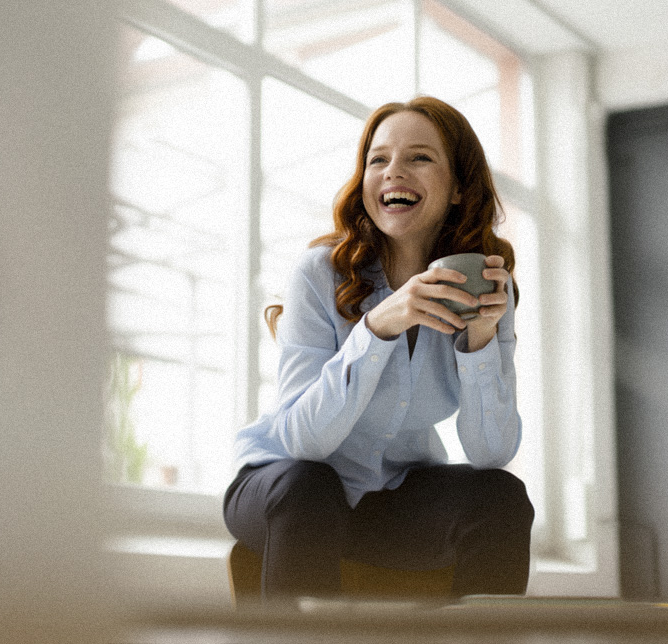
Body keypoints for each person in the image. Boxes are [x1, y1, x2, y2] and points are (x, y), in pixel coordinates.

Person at [223, 96, 534, 603]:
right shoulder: (320, 274)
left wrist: (479, 343)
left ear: (458, 188)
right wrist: (378, 327)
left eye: (419, 157)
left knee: (501, 497)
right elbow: (302, 443)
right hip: (283, 492)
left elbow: (491, 452)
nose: (394, 172)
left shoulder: (488, 291)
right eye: (378, 159)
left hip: (388, 501)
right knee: (310, 485)